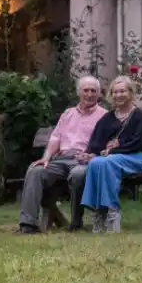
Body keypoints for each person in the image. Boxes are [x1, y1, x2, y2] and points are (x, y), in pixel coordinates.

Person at [15, 75, 107, 234]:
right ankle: (28, 225)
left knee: (78, 174)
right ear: (79, 92)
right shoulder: (68, 114)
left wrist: (92, 156)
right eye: (86, 90)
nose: (90, 94)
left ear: (99, 94)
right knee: (34, 170)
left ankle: (76, 223)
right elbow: (56, 137)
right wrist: (46, 158)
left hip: (83, 161)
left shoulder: (104, 116)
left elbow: (105, 143)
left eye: (94, 91)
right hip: (60, 159)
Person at [79, 75, 142, 234]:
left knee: (106, 161)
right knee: (95, 163)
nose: (119, 95)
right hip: (111, 159)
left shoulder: (140, 116)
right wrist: (90, 154)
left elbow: (138, 142)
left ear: (130, 93)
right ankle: (99, 212)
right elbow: (96, 142)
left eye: (122, 91)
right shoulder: (107, 118)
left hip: (136, 158)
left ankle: (112, 212)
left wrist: (113, 150)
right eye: (115, 92)